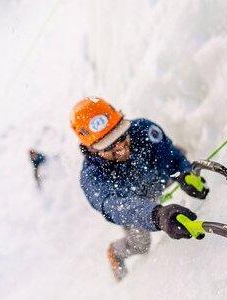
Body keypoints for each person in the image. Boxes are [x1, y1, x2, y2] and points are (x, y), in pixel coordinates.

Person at [70, 97, 209, 281]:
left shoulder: (143, 130)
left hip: (157, 180)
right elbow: (117, 207)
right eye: (110, 145)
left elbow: (172, 158)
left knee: (182, 153)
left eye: (120, 135)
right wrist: (156, 215)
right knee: (141, 245)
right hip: (137, 207)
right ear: (91, 148)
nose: (121, 147)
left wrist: (184, 173)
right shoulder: (93, 178)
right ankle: (115, 252)